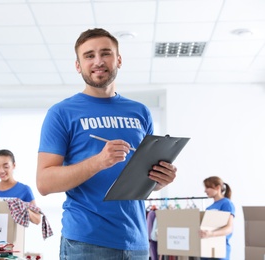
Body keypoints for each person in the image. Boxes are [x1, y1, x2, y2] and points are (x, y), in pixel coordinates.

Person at [36, 28, 178, 260]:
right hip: (86, 242)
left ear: (118, 60)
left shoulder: (140, 112)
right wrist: (98, 162)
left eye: (106, 53)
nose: (98, 61)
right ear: (78, 65)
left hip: (137, 241)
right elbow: (44, 183)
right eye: (89, 56)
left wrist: (161, 179)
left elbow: (143, 181)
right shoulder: (61, 113)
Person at [0, 149, 40, 224]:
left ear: (14, 165)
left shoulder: (24, 190)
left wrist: (25, 209)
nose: (1, 171)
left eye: (6, 166)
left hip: (13, 234)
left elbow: (37, 220)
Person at [200, 176, 235, 260]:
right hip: (207, 248)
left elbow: (229, 228)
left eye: (208, 187)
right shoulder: (209, 208)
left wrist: (211, 234)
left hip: (220, 248)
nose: (205, 190)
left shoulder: (226, 204)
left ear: (218, 187)